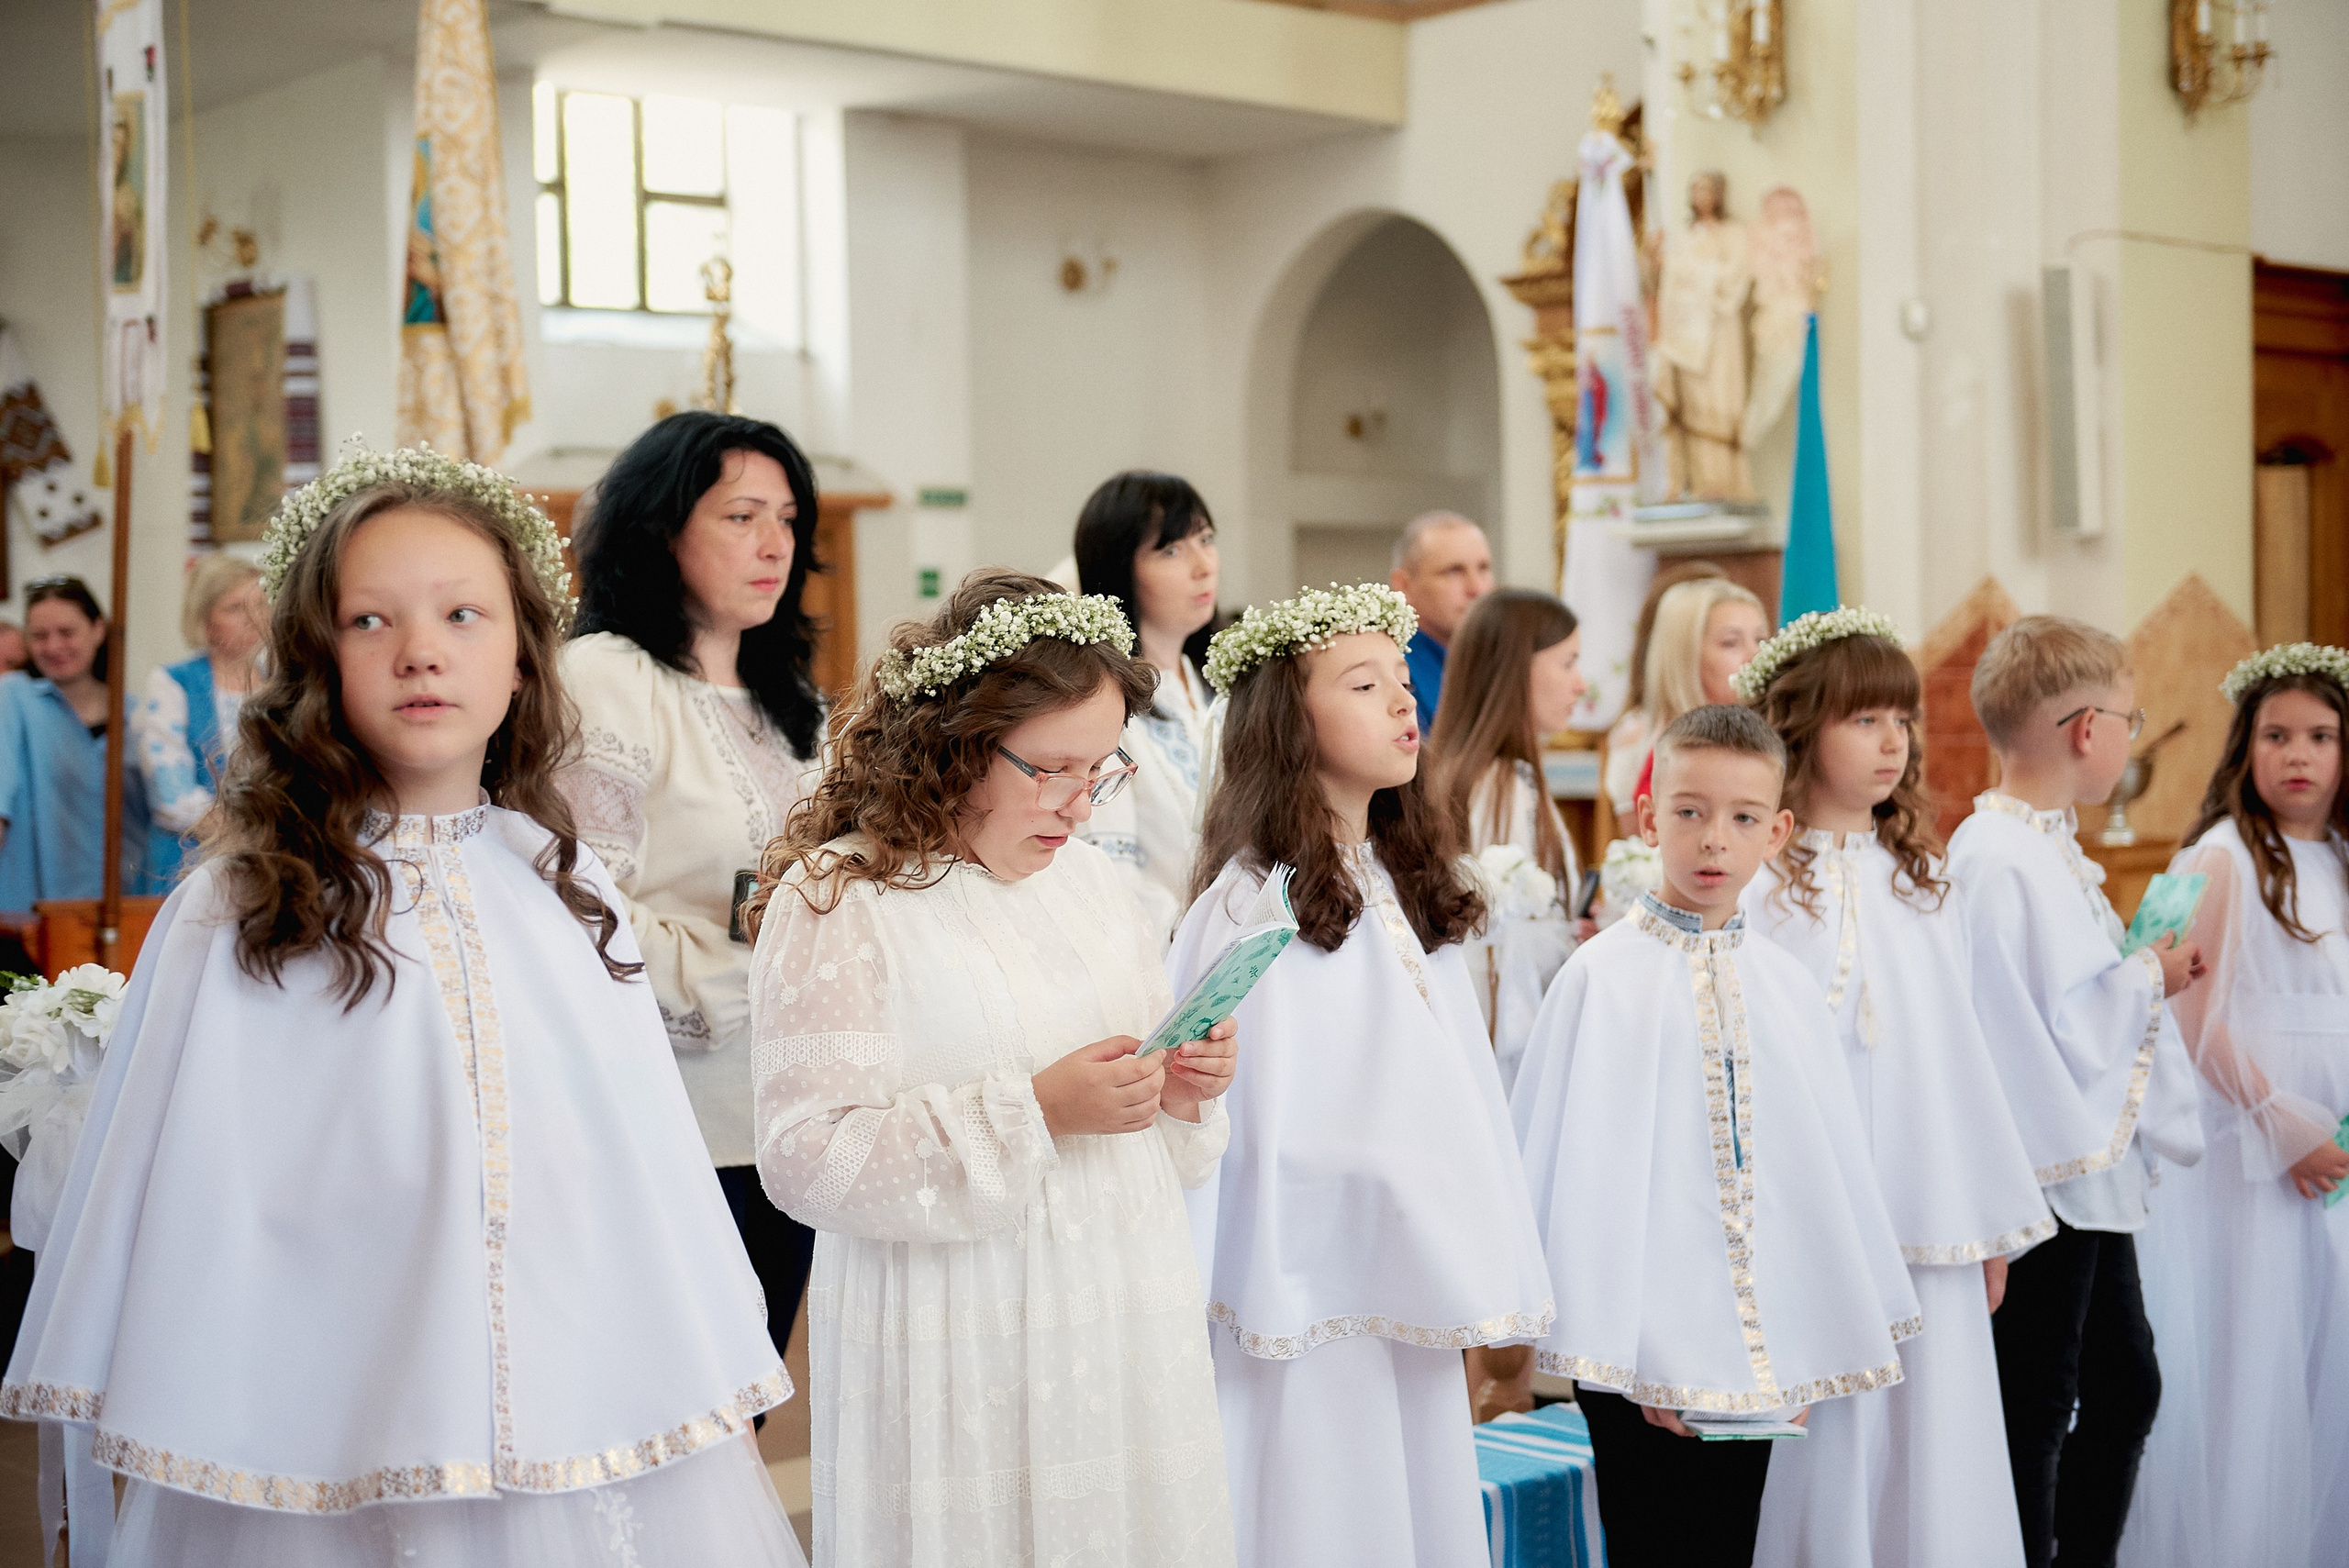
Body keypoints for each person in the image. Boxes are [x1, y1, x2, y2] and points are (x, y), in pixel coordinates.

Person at [1, 446, 804, 1565]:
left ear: (522, 659)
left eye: (463, 614)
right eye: (370, 619)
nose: (421, 650)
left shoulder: (564, 887)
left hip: (565, 1385)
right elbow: (191, 1184)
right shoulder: (236, 909)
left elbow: (636, 1157)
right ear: (315, 660)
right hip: (323, 1404)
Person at [748, 569, 1239, 1567]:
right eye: (1050, 768)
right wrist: (1035, 1110)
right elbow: (804, 1156)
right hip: (958, 1335)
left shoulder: (1094, 886)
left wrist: (1178, 1086)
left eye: (1101, 770)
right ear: (956, 741)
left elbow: (1148, 1109)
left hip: (1115, 1307)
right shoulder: (844, 897)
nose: (1079, 804)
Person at [1176, 584, 1553, 1568]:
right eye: (1361, 682)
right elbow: (1241, 1117)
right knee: (1319, 1508)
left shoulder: (1399, 878)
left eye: (1401, 678)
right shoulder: (1248, 903)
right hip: (1306, 1288)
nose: (1401, 699)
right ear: (1286, 721)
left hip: (1407, 1264)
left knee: (1414, 1503)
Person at [1512, 704, 1919, 1568]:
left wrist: (1794, 1348)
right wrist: (1646, 1359)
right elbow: (1588, 1184)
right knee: (1652, 1541)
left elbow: (1810, 1186)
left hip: (1750, 1359)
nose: (1712, 840)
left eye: (1741, 818)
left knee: (1731, 1541)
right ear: (1648, 815)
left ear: (1777, 832)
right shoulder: (1600, 981)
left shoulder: (1787, 988)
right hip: (1634, 1354)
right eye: (1690, 811)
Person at [1736, 613, 2053, 1568]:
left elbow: (1961, 1057)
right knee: (1835, 1435)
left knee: (1936, 1441)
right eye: (1863, 718)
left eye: (1901, 720)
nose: (1892, 742)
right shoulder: (1757, 886)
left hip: (1928, 1212)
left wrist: (1985, 1218)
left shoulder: (1921, 879)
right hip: (1820, 1213)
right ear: (1800, 730)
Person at [556, 411, 827, 1370]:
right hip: (673, 1108)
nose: (773, 545)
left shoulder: (789, 700)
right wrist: (735, 976)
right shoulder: (609, 676)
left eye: (787, 520)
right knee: (683, 1391)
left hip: (788, 1103)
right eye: (742, 516)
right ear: (661, 527)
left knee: (754, 1384)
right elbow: (573, 894)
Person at [1945, 616, 2207, 1568]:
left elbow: (2064, 992)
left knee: (2125, 1385)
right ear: (2089, 729)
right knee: (2038, 1402)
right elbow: (2017, 1024)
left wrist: (2135, 970)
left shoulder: (2040, 844)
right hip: (2041, 1168)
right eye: (2130, 721)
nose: (2130, 738)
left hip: (2085, 1164)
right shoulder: (1995, 854)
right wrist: (2147, 978)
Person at [2122, 645, 2349, 1568]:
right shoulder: (2214, 855)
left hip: (2333, 1145)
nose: (2298, 754)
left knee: (2323, 1353)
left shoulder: (2341, 855)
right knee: (2252, 1353)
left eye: (2321, 736)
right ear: (2243, 748)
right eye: (2276, 734)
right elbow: (2177, 1006)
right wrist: (2280, 1120)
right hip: (2247, 1143)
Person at [1430, 587, 1592, 1092]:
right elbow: (1498, 941)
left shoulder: (1482, 775)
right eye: (1568, 663)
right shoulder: (1499, 786)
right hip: (1506, 1041)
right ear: (1516, 670)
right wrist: (1575, 940)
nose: (1581, 684)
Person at [1073, 470, 1220, 937]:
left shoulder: (1218, 688)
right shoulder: (1104, 708)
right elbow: (1112, 883)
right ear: (1120, 569)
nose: (1204, 566)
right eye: (1171, 550)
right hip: (1171, 956)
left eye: (1206, 540)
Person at [0, 576, 151, 911]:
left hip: (122, 906)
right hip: (32, 913)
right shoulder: (11, 698)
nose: (54, 647)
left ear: (98, 630)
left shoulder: (137, 715)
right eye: (40, 636)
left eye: (66, 632)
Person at [136, 554, 265, 886]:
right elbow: (171, 795)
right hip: (187, 865)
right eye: (235, 608)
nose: (254, 618)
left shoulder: (283, 683)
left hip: (270, 866)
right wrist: (250, 837)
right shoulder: (173, 682)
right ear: (204, 619)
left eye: (261, 604)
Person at [1603, 574, 1766, 820]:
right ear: (1685, 655)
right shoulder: (1639, 737)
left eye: (1761, 640)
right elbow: (1640, 839)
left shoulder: (1776, 730)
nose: (1755, 655)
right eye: (1731, 643)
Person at [1388, 511, 1495, 732]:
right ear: (1404, 585)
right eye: (1454, 571)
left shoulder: (1495, 661)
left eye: (1483, 568)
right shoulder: (1392, 669)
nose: (1476, 588)